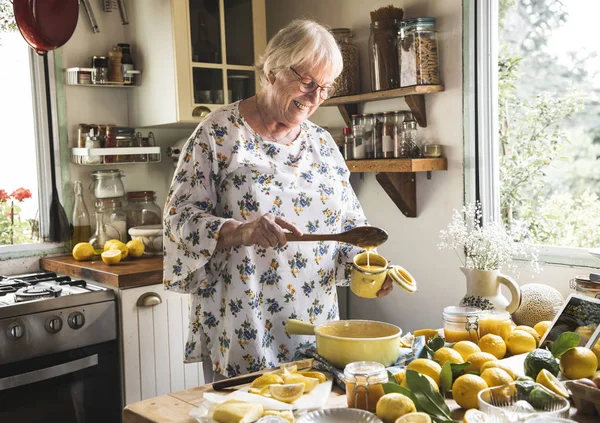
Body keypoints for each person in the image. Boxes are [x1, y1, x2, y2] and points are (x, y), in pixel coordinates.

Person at [163, 19, 394, 381]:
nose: (316, 98)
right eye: (307, 83)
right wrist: (240, 230)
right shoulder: (219, 133)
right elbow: (179, 220)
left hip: (316, 322)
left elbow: (350, 224)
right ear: (272, 70)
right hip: (244, 319)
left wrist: (366, 265)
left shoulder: (321, 143)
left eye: (326, 88)